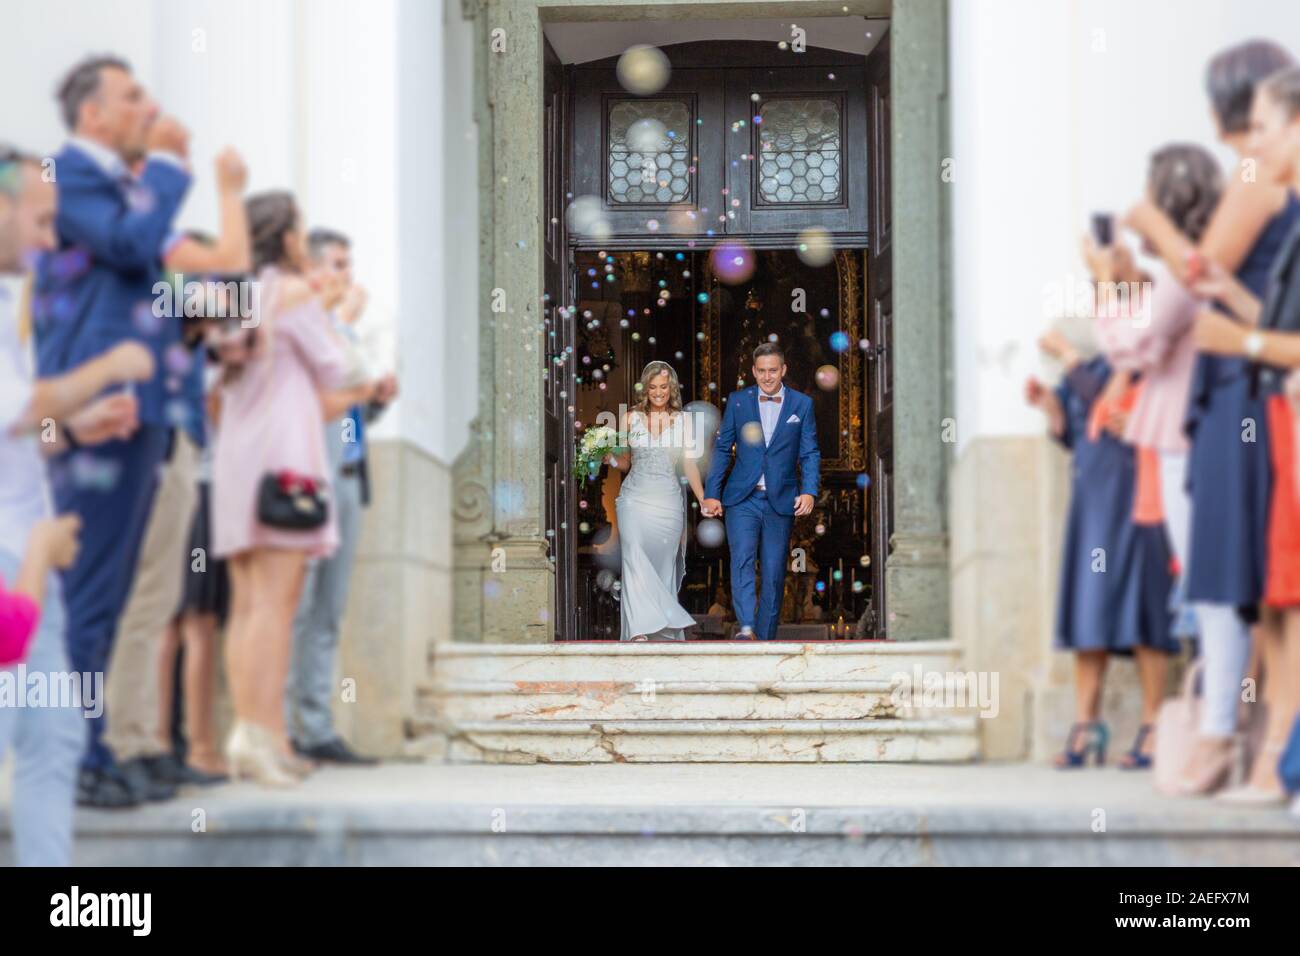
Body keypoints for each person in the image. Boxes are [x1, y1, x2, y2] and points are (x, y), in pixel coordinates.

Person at [1126, 39, 1300, 795]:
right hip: (1247, 378)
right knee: (1258, 582)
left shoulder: (1255, 181)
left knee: (1248, 580)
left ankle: (1243, 744)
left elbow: (1199, 279)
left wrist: (1150, 227)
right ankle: (1263, 748)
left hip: (1245, 386)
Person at [30, 55, 192, 808]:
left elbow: (147, 279)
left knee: (115, 594)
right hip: (95, 415)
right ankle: (81, 755)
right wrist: (167, 169)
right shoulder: (71, 179)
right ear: (93, 114)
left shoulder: (117, 191)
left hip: (140, 414)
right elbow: (129, 250)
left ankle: (93, 747)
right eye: (133, 96)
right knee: (91, 595)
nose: (149, 106)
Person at [1, 144, 154, 860]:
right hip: (16, 560)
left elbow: (20, 428)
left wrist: (77, 427)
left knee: (53, 739)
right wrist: (112, 366)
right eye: (37, 220)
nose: (46, 240)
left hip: (33, 551)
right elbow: (27, 403)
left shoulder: (10, 307)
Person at [211, 191, 383, 786]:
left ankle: (252, 736)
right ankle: (264, 738)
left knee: (246, 610)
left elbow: (212, 386)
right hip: (288, 468)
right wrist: (349, 326)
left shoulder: (235, 296)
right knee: (277, 612)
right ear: (286, 238)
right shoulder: (296, 295)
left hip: (237, 464)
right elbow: (343, 376)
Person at [105, 149, 250, 796]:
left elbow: (235, 302)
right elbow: (232, 274)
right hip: (148, 447)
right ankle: (126, 745)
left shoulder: (184, 328)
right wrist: (228, 192)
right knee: (146, 609)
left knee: (158, 604)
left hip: (180, 447)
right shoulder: (144, 284)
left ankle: (145, 743)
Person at [1187, 65, 1300, 802]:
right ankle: (1274, 760)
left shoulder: (1265, 199)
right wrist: (1233, 306)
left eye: (1267, 127)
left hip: (1270, 406)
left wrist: (1239, 342)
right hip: (1279, 413)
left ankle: (1257, 751)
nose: (1254, 146)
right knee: (1280, 597)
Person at [287, 228, 396, 763]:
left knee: (328, 611)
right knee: (294, 609)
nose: (347, 278)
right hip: (305, 485)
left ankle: (316, 726)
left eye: (349, 266)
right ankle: (281, 728)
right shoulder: (301, 327)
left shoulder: (342, 333)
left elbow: (349, 411)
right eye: (336, 265)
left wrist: (374, 401)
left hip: (349, 477)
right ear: (308, 270)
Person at [702, 343, 821, 641]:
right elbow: (722, 448)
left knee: (773, 572)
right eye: (762, 371)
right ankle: (745, 629)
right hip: (742, 498)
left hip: (781, 501)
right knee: (741, 560)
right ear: (753, 371)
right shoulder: (739, 401)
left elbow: (810, 452)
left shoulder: (801, 405)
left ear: (783, 370)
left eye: (773, 370)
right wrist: (712, 493)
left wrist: (809, 491)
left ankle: (765, 640)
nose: (767, 377)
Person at [606, 361, 706, 641]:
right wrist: (610, 458)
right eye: (653, 387)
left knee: (661, 566)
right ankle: (639, 629)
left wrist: (703, 498)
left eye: (664, 387)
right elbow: (625, 462)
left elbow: (689, 464)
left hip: (667, 503)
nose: (658, 392)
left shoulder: (684, 420)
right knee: (634, 552)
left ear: (671, 388)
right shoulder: (629, 418)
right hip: (634, 499)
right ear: (645, 389)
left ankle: (662, 632)